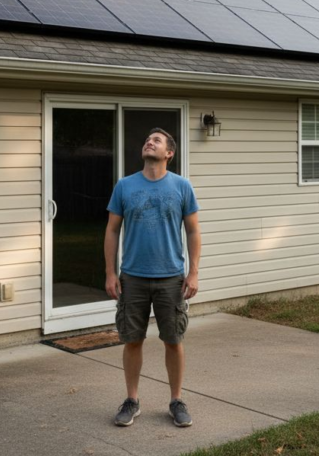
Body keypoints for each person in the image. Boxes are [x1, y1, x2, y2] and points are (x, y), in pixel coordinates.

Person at [104, 128, 201, 428]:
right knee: (132, 340)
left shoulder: (182, 187)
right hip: (132, 277)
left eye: (157, 140)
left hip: (171, 277)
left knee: (173, 340)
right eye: (148, 138)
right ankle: (132, 400)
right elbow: (112, 230)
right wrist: (110, 272)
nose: (149, 141)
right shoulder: (125, 186)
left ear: (169, 153)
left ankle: (176, 401)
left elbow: (194, 231)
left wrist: (193, 271)